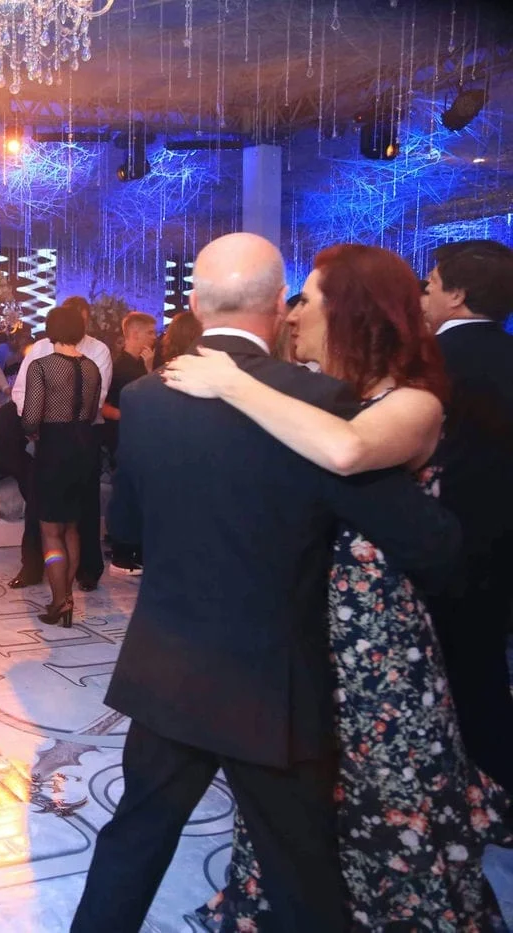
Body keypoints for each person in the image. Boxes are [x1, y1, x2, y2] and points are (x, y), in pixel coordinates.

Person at [71, 233, 463, 933]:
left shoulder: (146, 397)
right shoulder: (321, 400)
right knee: (300, 871)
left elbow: (125, 529)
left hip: (167, 662)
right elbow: (425, 539)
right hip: (270, 680)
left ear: (195, 304)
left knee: (134, 837)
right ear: (279, 304)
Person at [165, 243, 511, 930]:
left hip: (375, 642)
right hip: (301, 623)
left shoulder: (413, 403)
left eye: (308, 300)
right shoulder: (317, 393)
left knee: (379, 787)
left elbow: (346, 450)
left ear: (352, 313)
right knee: (294, 790)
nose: (293, 315)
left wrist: (232, 382)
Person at [420, 239, 513, 794]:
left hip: (438, 547)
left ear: (456, 295)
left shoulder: (428, 364)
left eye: (430, 285)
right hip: (501, 546)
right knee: (484, 674)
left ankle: (452, 798)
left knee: (438, 681)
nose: (424, 295)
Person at [8, 297, 111, 590]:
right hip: (80, 442)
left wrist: (36, 426)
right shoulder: (89, 365)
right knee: (70, 526)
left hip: (53, 444)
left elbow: (30, 414)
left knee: (54, 525)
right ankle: (50, 582)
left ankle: (62, 597)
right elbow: (92, 406)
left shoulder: (45, 364)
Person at [101, 311, 156, 575]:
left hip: (139, 438)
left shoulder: (140, 365)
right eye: (150, 333)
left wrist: (149, 368)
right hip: (121, 439)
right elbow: (102, 406)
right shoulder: (118, 366)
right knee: (126, 494)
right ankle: (122, 552)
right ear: (134, 334)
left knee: (136, 495)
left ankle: (133, 550)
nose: (154, 338)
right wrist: (127, 415)